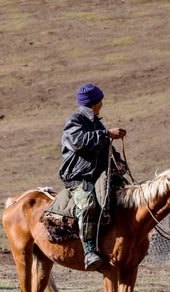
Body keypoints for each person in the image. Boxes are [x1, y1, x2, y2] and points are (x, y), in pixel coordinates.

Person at [58, 84, 126, 271]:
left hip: (97, 175)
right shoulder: (75, 121)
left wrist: (119, 163)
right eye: (100, 100)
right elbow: (79, 143)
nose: (102, 103)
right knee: (88, 205)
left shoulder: (96, 122)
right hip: (78, 177)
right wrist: (106, 134)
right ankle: (89, 250)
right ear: (95, 102)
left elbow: (108, 150)